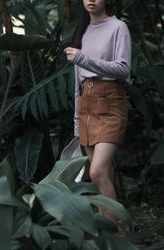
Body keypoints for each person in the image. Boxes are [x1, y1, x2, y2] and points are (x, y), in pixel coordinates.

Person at [64, 0, 131, 232]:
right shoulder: (81, 31)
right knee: (102, 176)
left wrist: (84, 58)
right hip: (86, 106)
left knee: (97, 171)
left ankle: (115, 234)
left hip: (110, 103)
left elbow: (123, 69)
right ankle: (115, 234)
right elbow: (77, 83)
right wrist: (76, 121)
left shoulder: (118, 27)